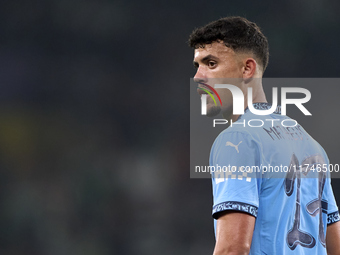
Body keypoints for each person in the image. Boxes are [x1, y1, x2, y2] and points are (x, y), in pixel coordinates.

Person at [188, 16, 340, 255]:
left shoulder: (237, 141)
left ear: (247, 68)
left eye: (211, 63)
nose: (198, 77)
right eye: (197, 65)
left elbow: (233, 248)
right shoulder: (312, 146)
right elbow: (335, 246)